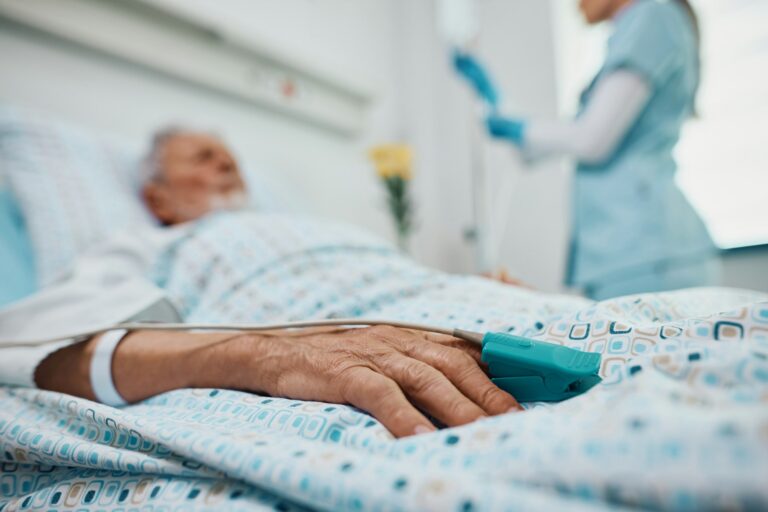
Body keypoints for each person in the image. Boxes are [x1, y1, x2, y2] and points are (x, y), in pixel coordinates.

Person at [0, 129, 522, 439]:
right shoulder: (145, 245)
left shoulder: (318, 226)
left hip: (448, 304)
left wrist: (461, 284)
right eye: (202, 157)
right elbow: (45, 343)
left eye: (227, 155)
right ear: (157, 198)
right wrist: (267, 355)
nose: (227, 162)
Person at [454, 0, 718, 300]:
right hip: (624, 255)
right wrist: (493, 97)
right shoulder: (636, 29)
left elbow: (591, 142)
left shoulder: (653, 14)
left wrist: (516, 127)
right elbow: (543, 148)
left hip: (645, 254)